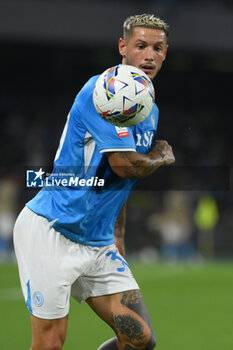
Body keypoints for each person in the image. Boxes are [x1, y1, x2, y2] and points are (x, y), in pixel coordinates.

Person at [13, 14, 175, 350]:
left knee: (139, 340)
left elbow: (120, 183)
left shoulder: (149, 110)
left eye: (157, 48)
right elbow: (124, 165)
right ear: (123, 47)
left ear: (165, 53)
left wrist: (117, 235)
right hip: (53, 231)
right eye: (141, 45)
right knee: (50, 342)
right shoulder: (102, 92)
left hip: (98, 242)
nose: (149, 55)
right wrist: (161, 155)